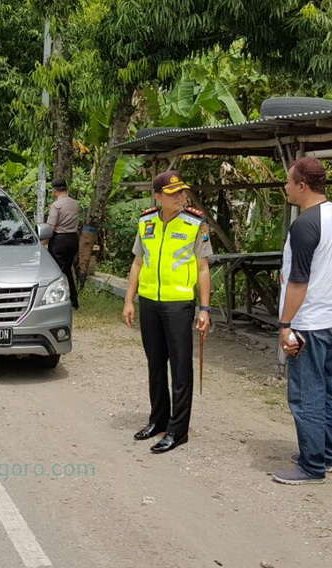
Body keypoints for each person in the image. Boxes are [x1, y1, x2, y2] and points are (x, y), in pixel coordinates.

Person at [122, 170, 212, 453]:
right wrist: (129, 300)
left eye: (182, 192)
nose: (181, 197)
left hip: (178, 305)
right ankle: (157, 420)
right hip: (149, 302)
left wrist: (205, 308)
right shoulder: (146, 221)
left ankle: (177, 430)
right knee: (156, 364)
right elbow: (138, 262)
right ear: (158, 196)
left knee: (181, 368)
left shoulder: (195, 224)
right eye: (173, 194)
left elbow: (203, 267)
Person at [272, 158, 332, 485]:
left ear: (302, 185)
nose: (286, 187)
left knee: (306, 395)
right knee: (326, 391)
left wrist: (285, 324)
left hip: (309, 323)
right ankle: (327, 454)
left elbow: (300, 283)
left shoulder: (304, 225)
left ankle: (311, 465)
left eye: (289, 182)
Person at [46, 178, 81, 309]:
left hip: (59, 240)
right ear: (66, 188)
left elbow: (51, 226)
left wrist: (43, 241)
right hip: (73, 239)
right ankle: (73, 300)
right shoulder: (75, 204)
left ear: (55, 190)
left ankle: (57, 301)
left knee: (57, 272)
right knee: (67, 269)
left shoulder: (56, 205)